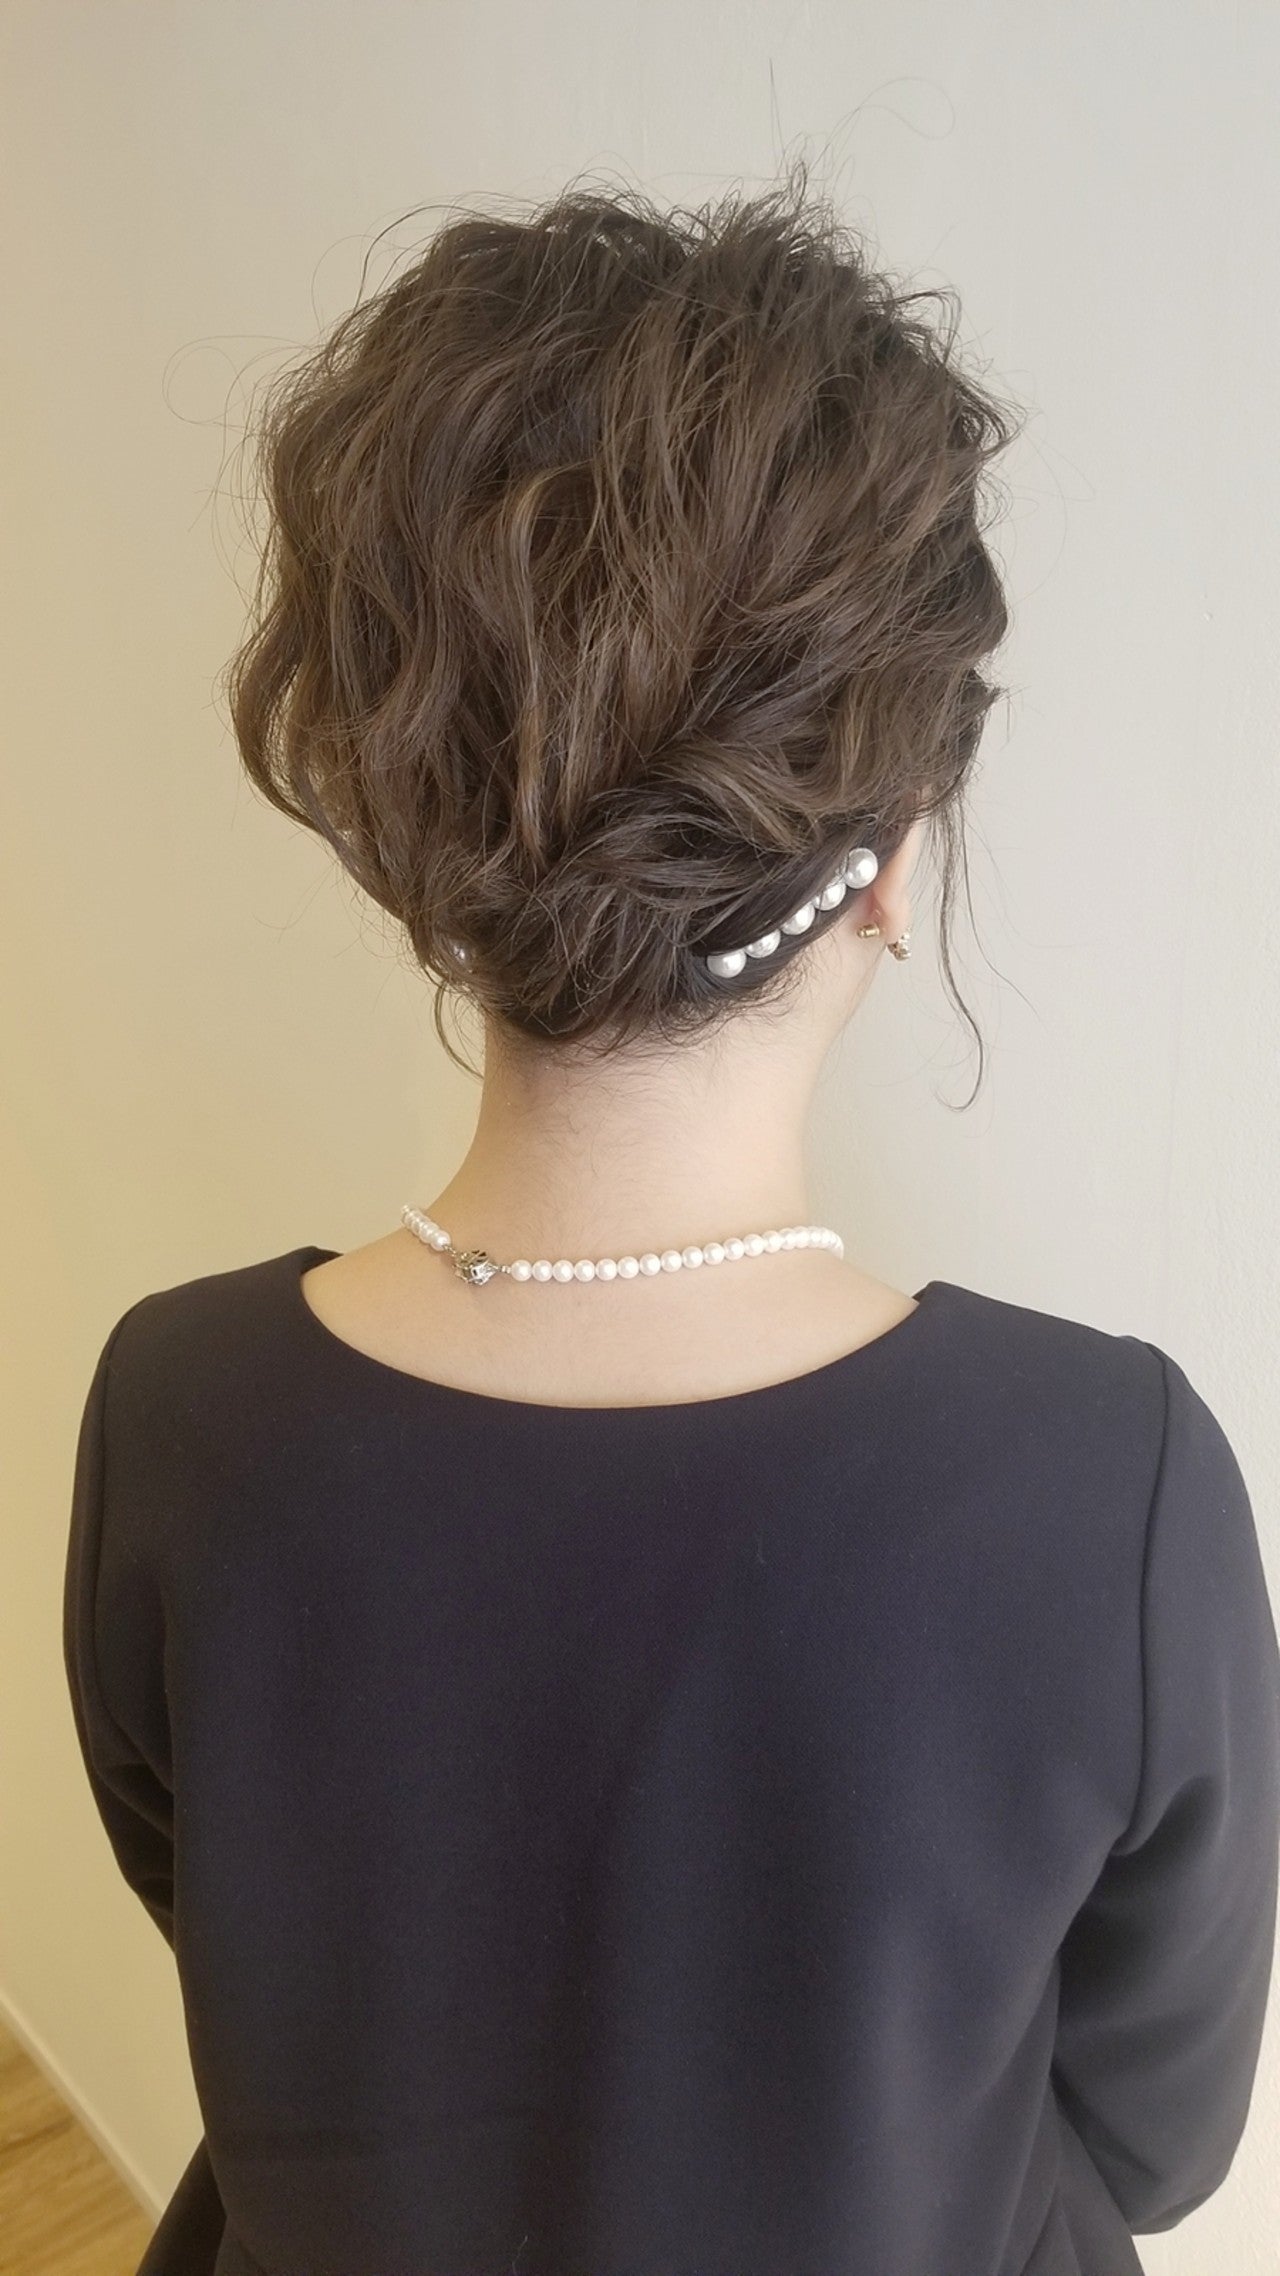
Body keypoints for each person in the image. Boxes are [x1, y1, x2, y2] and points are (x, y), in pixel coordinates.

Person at [63, 166, 1279, 2276]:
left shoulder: (182, 1408)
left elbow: (258, 1968)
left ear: (412, 829)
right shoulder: (1109, 1484)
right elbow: (1150, 2144)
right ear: (891, 862)